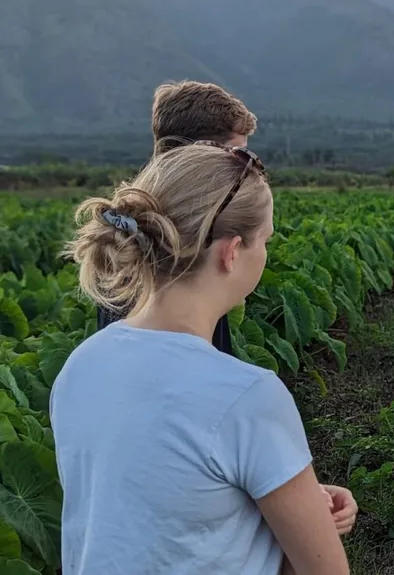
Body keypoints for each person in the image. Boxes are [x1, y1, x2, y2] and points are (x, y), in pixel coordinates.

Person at [52, 142, 351, 574]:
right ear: (231, 253)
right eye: (264, 240)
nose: (265, 253)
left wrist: (290, 494)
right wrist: (303, 515)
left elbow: (141, 507)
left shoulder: (81, 364)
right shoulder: (247, 395)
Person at [89, 80, 358, 527]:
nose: (242, 170)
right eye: (233, 155)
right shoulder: (171, 253)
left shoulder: (135, 236)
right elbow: (187, 413)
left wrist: (283, 488)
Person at [95, 80, 259, 354]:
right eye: (235, 154)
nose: (243, 169)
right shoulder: (175, 233)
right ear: (198, 156)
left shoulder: (128, 222)